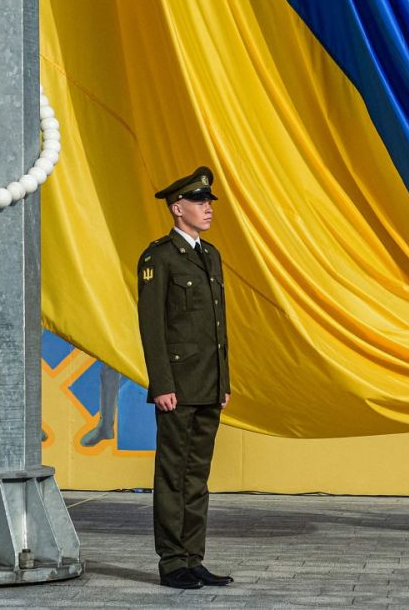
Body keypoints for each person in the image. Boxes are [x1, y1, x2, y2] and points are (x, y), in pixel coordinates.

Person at [138, 167, 233, 589]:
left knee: (197, 477)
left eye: (209, 202)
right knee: (173, 474)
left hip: (208, 384)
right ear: (178, 209)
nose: (207, 209)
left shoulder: (210, 255)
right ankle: (172, 562)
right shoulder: (158, 258)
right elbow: (152, 327)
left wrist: (222, 381)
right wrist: (161, 385)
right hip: (177, 385)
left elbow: (217, 328)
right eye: (199, 202)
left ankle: (193, 558)